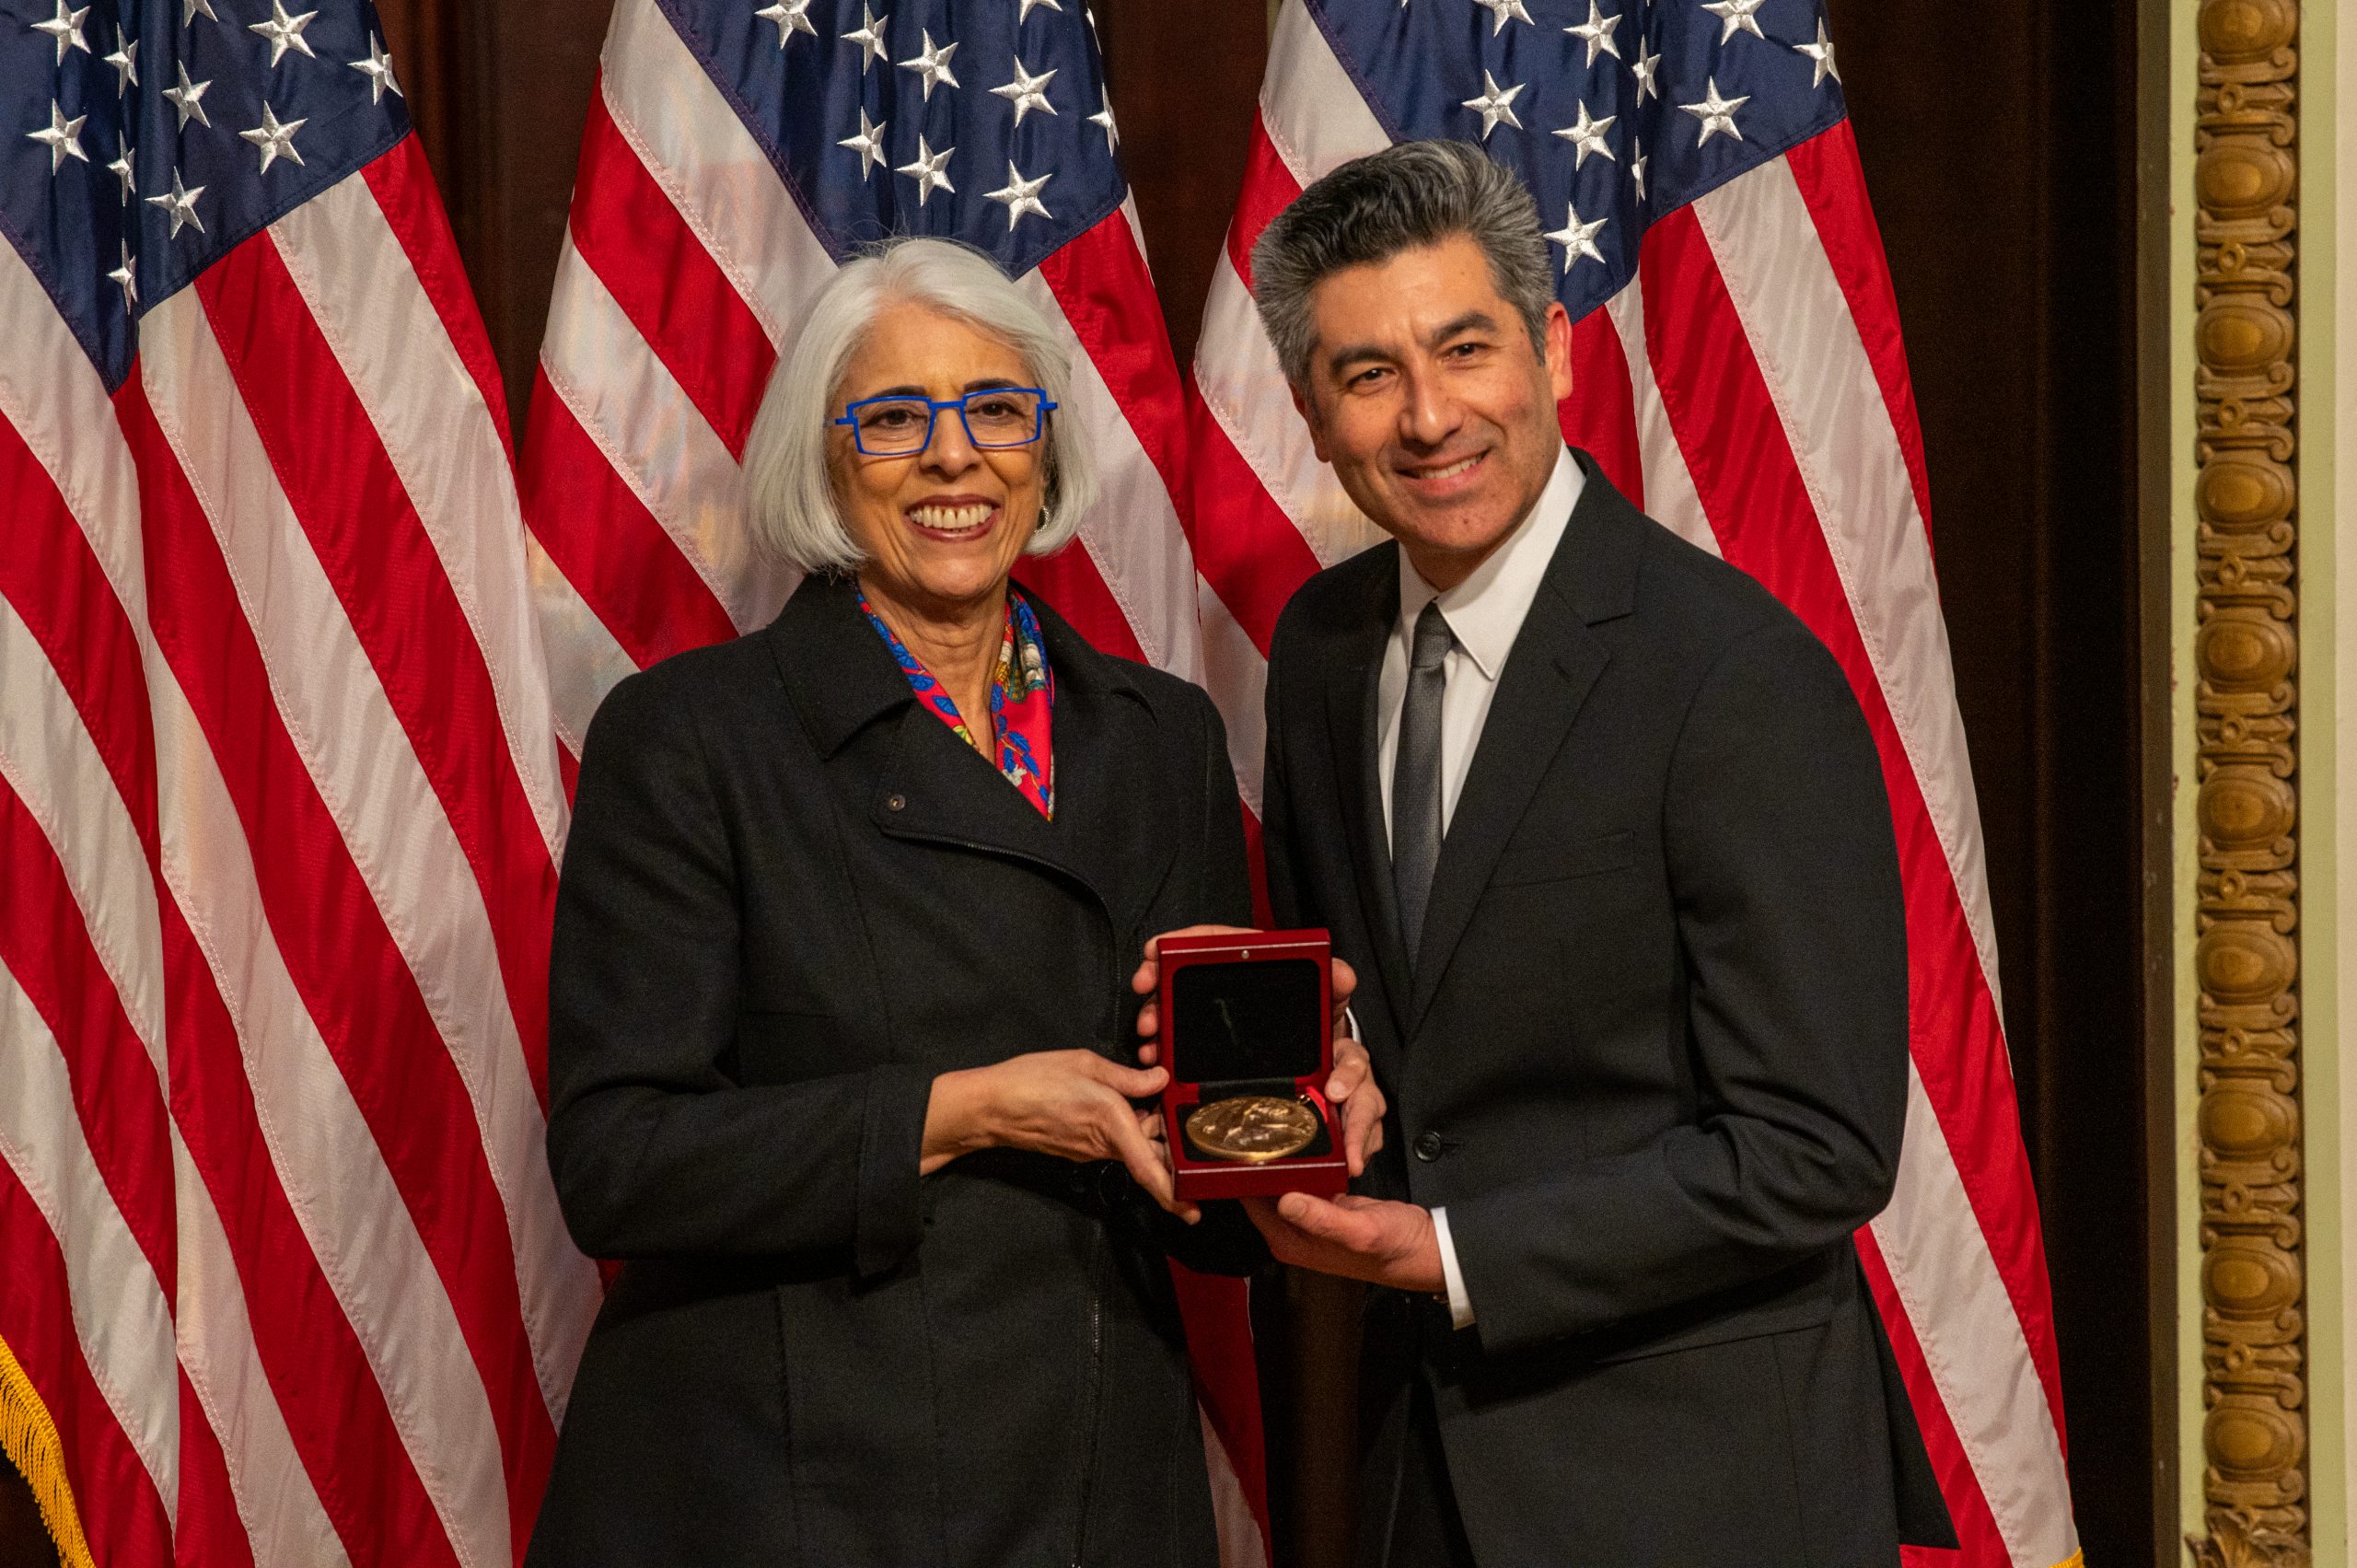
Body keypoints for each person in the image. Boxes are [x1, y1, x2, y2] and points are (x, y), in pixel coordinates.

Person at [526, 237, 1376, 1568]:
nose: (953, 457)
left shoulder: (1159, 739)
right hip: (789, 1490)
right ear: (824, 459)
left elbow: (1207, 1211)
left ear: (1043, 448)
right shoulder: (692, 740)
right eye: (893, 421)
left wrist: (1297, 1112)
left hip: (1092, 1482)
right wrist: (962, 1110)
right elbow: (618, 1165)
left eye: (993, 409)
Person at [1237, 141, 1956, 1566]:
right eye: (1369, 373)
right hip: (1415, 1482)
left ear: (1556, 350)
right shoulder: (1319, 657)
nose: (1431, 415)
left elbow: (1816, 1148)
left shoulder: (1733, 676)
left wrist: (1450, 1255)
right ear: (1313, 417)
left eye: (1466, 347)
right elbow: (1368, 1035)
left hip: (1701, 1487)